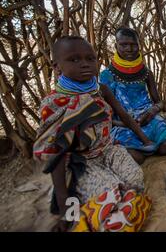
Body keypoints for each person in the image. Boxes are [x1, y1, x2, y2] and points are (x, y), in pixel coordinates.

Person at [34, 35, 151, 232]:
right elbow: (56, 153)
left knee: (136, 180)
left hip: (108, 149)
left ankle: (98, 191)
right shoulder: (55, 103)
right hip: (80, 161)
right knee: (114, 191)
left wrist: (146, 140)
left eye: (90, 58)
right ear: (56, 67)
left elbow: (124, 116)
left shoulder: (101, 89)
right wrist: (64, 206)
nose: (85, 64)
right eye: (74, 59)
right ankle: (73, 195)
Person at [100, 27, 166, 164]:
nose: (129, 49)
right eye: (124, 45)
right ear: (116, 45)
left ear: (139, 45)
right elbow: (105, 115)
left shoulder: (146, 72)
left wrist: (153, 111)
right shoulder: (107, 76)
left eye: (133, 44)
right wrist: (126, 123)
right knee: (136, 157)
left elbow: (159, 102)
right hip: (122, 124)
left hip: (149, 118)